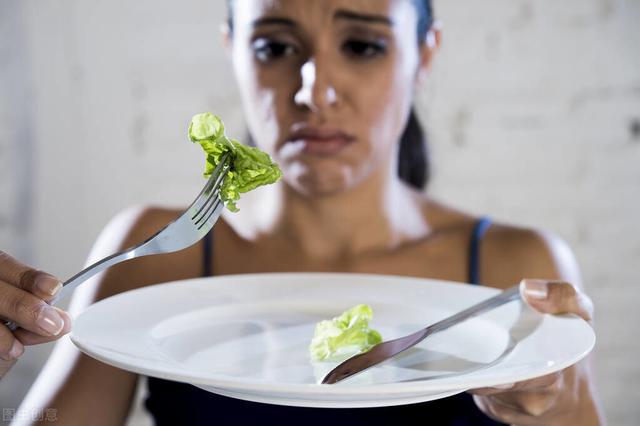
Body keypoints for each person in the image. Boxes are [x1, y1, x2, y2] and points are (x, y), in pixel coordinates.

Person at [1, 0, 605, 424]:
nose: (314, 91)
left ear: (425, 54)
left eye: (363, 45)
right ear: (232, 49)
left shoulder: (514, 265)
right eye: (275, 47)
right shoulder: (153, 253)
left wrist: (559, 401)